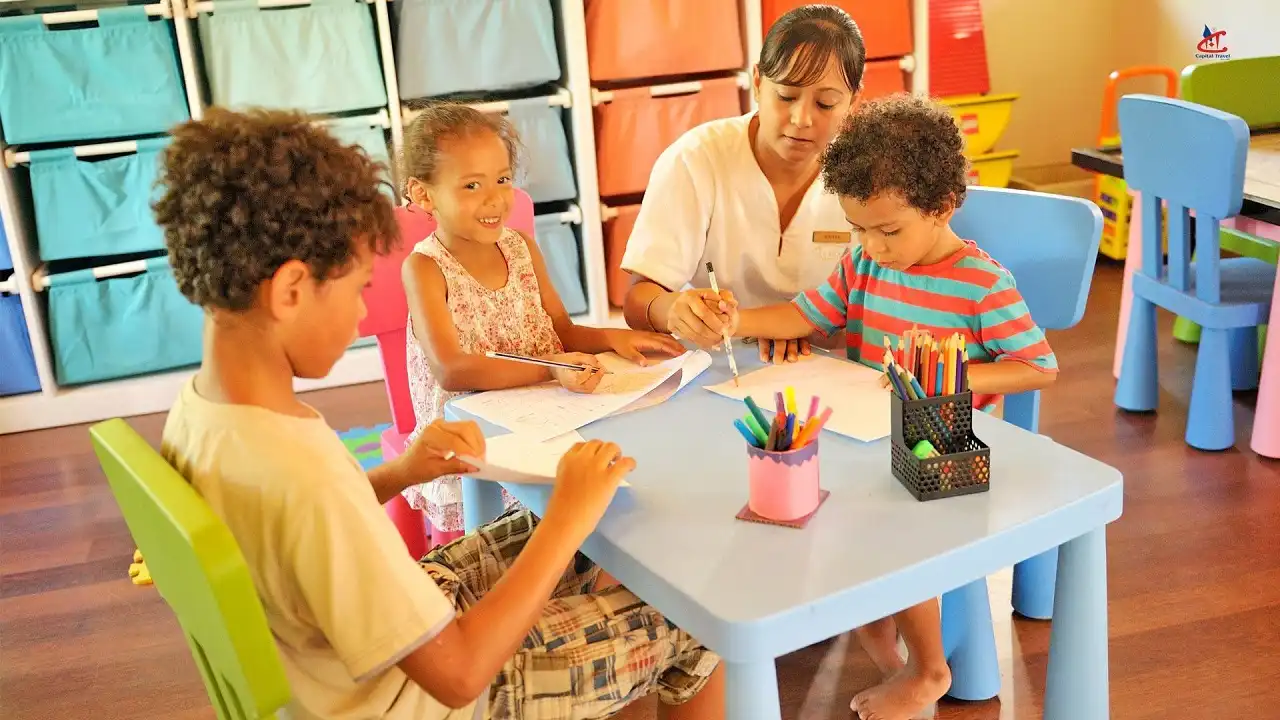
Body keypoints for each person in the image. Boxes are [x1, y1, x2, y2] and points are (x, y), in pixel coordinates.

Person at [153, 107, 723, 720]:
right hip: (425, 698)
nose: (360, 319)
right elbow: (458, 677)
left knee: (598, 543)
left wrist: (400, 473)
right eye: (355, 290)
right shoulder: (302, 470)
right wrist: (563, 521)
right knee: (695, 615)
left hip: (355, 655)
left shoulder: (203, 415)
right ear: (291, 290)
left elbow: (289, 531)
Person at [723, 94, 1059, 719]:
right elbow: (804, 316)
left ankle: (930, 670)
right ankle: (901, 665)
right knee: (812, 511)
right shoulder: (863, 265)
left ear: (941, 208)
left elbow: (1039, 367)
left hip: (941, 457)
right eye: (858, 229)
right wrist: (735, 317)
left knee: (890, 537)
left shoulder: (983, 284)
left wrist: (950, 374)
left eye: (888, 230)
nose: (871, 246)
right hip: (869, 444)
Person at [399, 103, 684, 543]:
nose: (494, 198)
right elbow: (451, 369)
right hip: (470, 443)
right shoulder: (425, 268)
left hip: (541, 416)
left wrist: (613, 339)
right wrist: (552, 368)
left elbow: (560, 330)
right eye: (471, 185)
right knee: (492, 550)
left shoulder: (520, 248)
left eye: (502, 179)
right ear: (423, 196)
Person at [620, 3, 864, 365]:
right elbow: (640, 299)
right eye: (786, 96)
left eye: (826, 104)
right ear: (757, 82)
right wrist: (673, 309)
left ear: (854, 102)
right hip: (722, 360)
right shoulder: (695, 159)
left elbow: (887, 301)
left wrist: (798, 327)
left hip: (829, 365)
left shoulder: (866, 173)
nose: (801, 119)